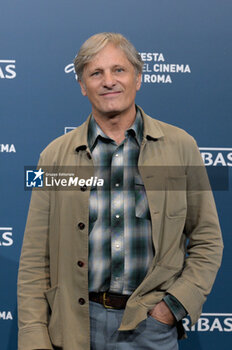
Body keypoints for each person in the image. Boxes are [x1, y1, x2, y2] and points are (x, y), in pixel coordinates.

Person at [17, 32, 223, 350]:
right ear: (83, 85)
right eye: (96, 73)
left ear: (138, 78)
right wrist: (33, 336)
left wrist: (173, 308)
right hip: (73, 329)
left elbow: (208, 240)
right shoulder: (51, 157)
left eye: (119, 70)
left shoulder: (183, 147)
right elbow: (34, 257)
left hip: (150, 327)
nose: (108, 81)